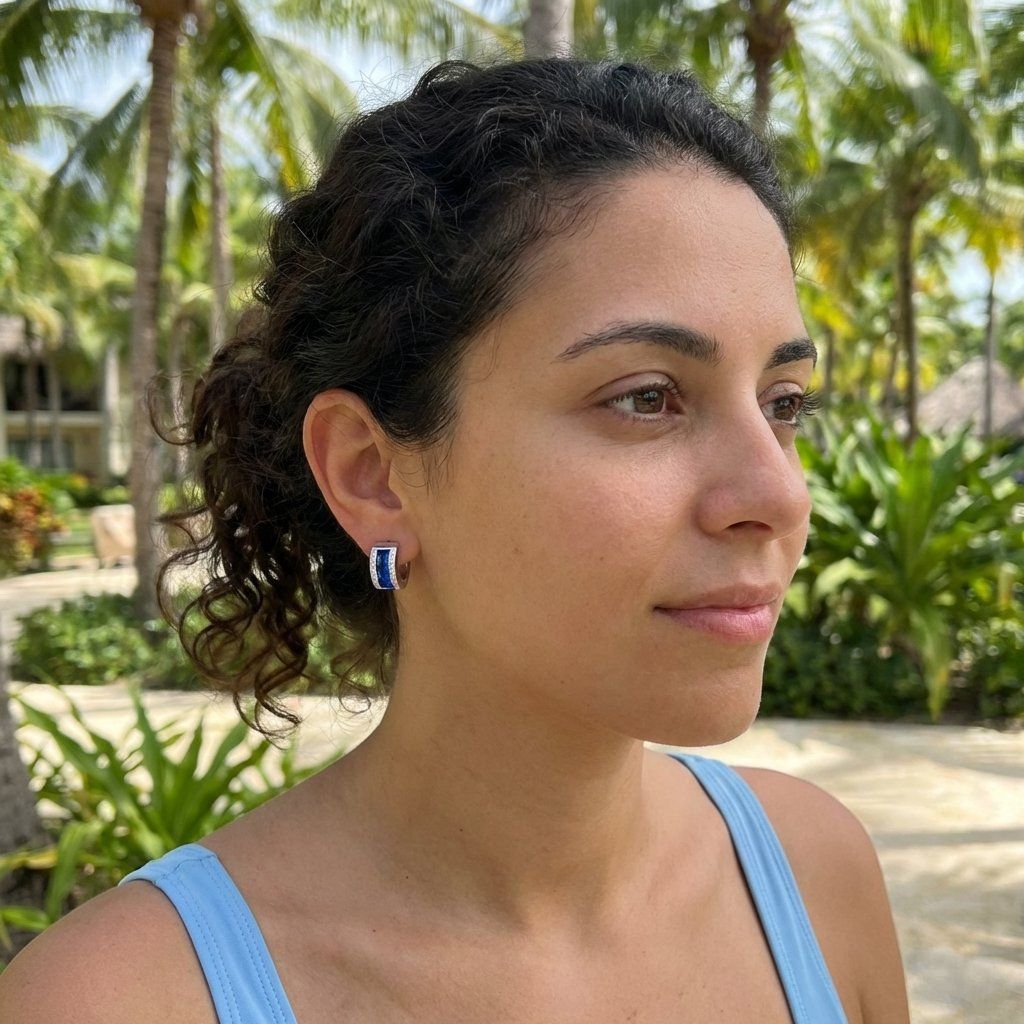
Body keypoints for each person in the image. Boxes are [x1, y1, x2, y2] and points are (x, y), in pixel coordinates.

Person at [0, 54, 910, 1023]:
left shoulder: (814, 879)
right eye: (647, 398)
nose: (777, 494)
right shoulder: (115, 1000)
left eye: (783, 402)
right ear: (372, 473)